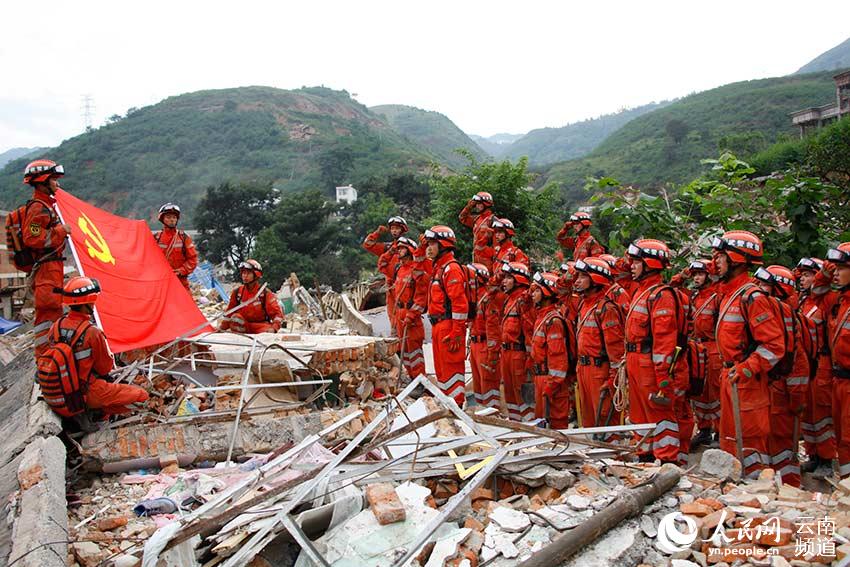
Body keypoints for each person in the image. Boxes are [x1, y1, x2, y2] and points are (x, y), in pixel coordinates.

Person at [712, 231, 786, 479]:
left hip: (746, 382)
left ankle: (755, 488)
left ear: (737, 259)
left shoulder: (752, 298)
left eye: (721, 256)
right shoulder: (730, 294)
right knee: (730, 438)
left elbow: (774, 346)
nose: (716, 261)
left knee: (750, 440)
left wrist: (746, 368)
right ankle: (734, 489)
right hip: (731, 377)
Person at [37, 277, 149, 427]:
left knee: (110, 394)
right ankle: (98, 414)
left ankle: (97, 412)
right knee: (141, 396)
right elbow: (105, 368)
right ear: (87, 303)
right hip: (85, 392)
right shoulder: (92, 332)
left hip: (60, 392)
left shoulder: (56, 326)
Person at [624, 239, 691, 465]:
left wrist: (663, 375)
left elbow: (664, 340)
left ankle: (667, 459)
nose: (632, 266)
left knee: (659, 412)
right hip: (635, 360)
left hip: (649, 364)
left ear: (649, 264)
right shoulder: (641, 292)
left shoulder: (661, 295)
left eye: (636, 262)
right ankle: (645, 455)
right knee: (639, 413)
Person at [753, 265, 809, 487]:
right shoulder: (772, 314)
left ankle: (790, 487)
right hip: (768, 389)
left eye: (764, 285)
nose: (758, 288)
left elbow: (798, 365)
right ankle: (769, 485)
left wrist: (796, 399)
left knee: (783, 445)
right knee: (765, 441)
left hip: (782, 394)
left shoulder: (787, 320)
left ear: (779, 289)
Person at [20, 160, 72, 356]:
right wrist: (61, 231)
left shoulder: (47, 207)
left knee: (55, 313)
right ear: (42, 181)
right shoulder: (38, 208)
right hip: (46, 273)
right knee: (48, 316)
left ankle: (52, 355)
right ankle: (44, 358)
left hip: (52, 269)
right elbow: (33, 237)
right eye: (54, 179)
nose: (57, 183)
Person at [573, 258, 625, 433]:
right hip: (584, 369)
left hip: (599, 372)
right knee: (588, 422)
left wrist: (612, 379)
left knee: (604, 418)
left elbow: (616, 349)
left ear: (595, 279)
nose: (577, 281)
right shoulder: (584, 304)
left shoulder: (606, 309)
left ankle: (611, 449)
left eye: (583, 276)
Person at [796, 257, 837, 475]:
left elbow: (822, 286)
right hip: (807, 362)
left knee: (822, 414)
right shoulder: (804, 301)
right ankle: (813, 455)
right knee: (808, 413)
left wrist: (824, 273)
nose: (803, 279)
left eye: (808, 275)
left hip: (823, 362)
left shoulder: (827, 300)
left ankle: (826, 460)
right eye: (801, 275)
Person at [425, 226, 469, 405]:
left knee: (452, 370)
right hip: (439, 326)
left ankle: (456, 405)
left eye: (432, 244)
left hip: (449, 326)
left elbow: (460, 304)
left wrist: (457, 332)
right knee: (442, 372)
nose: (428, 248)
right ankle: (446, 405)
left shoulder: (451, 269)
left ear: (443, 245)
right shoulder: (439, 268)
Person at [684, 260, 723, 448]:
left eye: (700, 274)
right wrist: (682, 276)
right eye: (694, 275)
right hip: (697, 347)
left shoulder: (716, 297)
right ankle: (704, 430)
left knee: (716, 392)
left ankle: (721, 432)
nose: (696, 278)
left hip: (714, 347)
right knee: (698, 391)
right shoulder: (694, 297)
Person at [530, 271, 575, 429]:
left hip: (552, 384)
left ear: (547, 293)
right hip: (543, 379)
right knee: (541, 424)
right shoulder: (542, 318)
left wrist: (551, 386)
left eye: (537, 290)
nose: (532, 294)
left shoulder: (553, 321)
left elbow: (558, 360)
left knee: (555, 427)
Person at [820, 243, 850, 478]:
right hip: (839, 380)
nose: (835, 274)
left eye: (840, 269)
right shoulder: (839, 301)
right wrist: (826, 271)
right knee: (841, 437)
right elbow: (816, 290)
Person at [499, 262, 536, 421]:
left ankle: (530, 427)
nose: (504, 281)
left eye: (508, 278)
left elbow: (529, 332)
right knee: (510, 394)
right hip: (507, 353)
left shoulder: (524, 301)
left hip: (519, 355)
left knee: (523, 394)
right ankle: (515, 425)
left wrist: (530, 358)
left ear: (518, 280)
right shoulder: (509, 300)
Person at [363, 216, 408, 332]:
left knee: (404, 312)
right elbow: (367, 244)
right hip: (390, 286)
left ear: (403, 230)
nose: (394, 231)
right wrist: (377, 233)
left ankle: (404, 336)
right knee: (392, 313)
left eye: (397, 228)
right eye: (392, 228)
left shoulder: (408, 247)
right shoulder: (387, 247)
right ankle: (395, 335)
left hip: (404, 285)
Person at [393, 237, 429, 380]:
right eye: (398, 248)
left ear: (409, 250)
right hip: (400, 315)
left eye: (402, 248)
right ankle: (411, 379)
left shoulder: (416, 270)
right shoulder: (399, 269)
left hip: (411, 318)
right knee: (405, 351)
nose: (399, 251)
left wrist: (412, 315)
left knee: (415, 352)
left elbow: (421, 297)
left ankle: (420, 380)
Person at [220, 260, 284, 333]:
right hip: (243, 327)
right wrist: (221, 328)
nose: (245, 276)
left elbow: (277, 315)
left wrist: (274, 328)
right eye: (243, 273)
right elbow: (229, 314)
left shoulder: (265, 293)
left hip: (260, 326)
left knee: (267, 331)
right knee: (235, 317)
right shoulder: (237, 293)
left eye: (248, 273)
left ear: (256, 274)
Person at [153, 203, 198, 292]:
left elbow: (193, 259)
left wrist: (181, 271)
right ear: (162, 219)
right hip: (161, 282)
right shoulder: (156, 238)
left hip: (180, 282)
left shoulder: (184, 237)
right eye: (168, 217)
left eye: (174, 217)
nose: (172, 220)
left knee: (186, 301)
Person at [466, 263, 494, 407]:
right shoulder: (473, 297)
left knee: (487, 384)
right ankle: (479, 410)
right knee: (478, 384)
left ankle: (491, 412)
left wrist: (492, 351)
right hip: (474, 344)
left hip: (484, 345)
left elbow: (493, 329)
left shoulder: (487, 298)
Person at [459, 191, 496, 268]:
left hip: (487, 260)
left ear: (486, 204)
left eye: (479, 204)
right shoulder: (476, 219)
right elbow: (462, 218)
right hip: (476, 258)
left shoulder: (493, 220)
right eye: (476, 204)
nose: (476, 206)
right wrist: (469, 206)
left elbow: (498, 244)